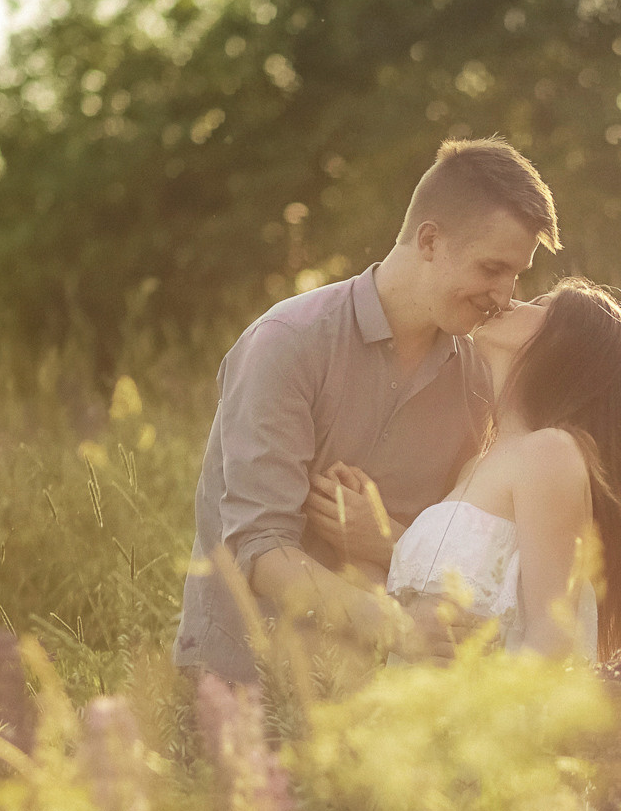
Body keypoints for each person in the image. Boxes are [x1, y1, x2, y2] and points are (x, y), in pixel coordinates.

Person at [173, 137, 557, 683]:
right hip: (247, 683)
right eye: (492, 268)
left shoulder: (479, 375)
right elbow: (257, 549)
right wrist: (395, 627)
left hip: (382, 698)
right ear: (429, 240)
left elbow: (465, 542)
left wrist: (386, 538)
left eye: (516, 276)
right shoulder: (288, 343)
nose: (504, 294)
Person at [383, 279, 621, 660]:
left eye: (540, 305)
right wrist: (381, 539)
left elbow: (554, 642)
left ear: (569, 351)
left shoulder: (549, 453)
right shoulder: (474, 465)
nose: (511, 303)